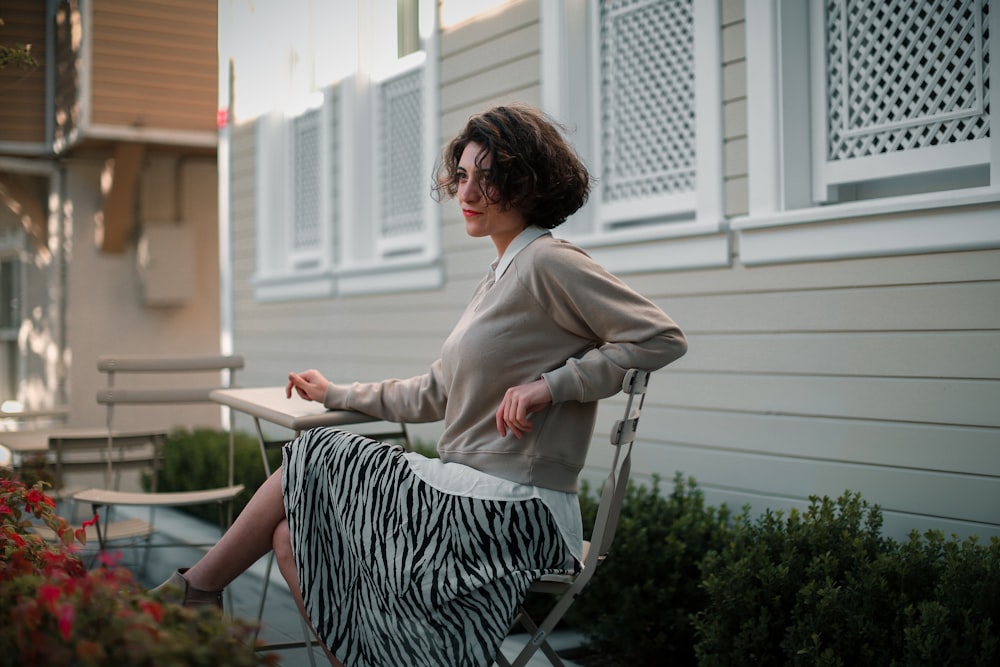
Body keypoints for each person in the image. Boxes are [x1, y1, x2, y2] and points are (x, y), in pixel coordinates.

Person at [153, 103, 687, 667]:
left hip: (517, 512)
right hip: (468, 499)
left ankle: (197, 591)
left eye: (490, 175)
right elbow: (435, 392)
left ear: (527, 181)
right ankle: (210, 597)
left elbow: (660, 337)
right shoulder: (500, 276)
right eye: (463, 175)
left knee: (315, 452)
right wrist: (334, 393)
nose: (469, 190)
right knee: (294, 539)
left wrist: (551, 386)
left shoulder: (549, 262)